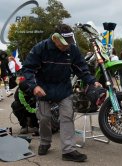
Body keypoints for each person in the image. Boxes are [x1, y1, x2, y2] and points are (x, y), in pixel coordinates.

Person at [22, 23, 102, 162]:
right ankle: (45, 142)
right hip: (44, 89)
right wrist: (34, 87)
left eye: (69, 43)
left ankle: (68, 150)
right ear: (55, 38)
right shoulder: (41, 48)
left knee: (67, 118)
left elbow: (81, 68)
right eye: (64, 43)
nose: (67, 46)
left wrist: (92, 81)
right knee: (45, 119)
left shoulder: (72, 50)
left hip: (64, 89)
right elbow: (28, 69)